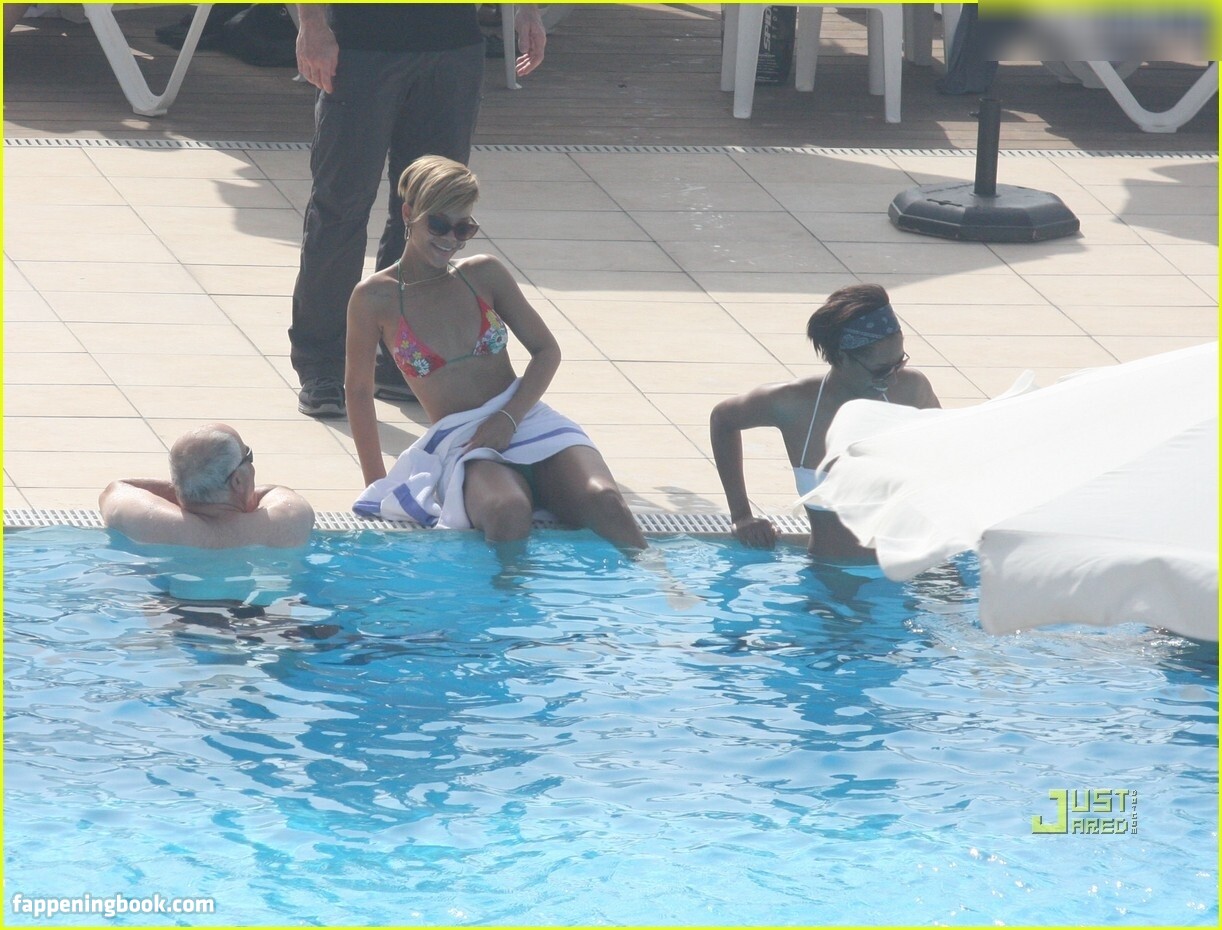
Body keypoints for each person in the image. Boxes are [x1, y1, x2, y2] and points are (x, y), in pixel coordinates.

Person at [348, 155, 647, 552]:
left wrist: (508, 418)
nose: (451, 239)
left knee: (605, 500)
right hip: (464, 439)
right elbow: (358, 391)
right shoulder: (375, 298)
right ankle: (509, 593)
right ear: (408, 214)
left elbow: (546, 351)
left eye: (464, 228)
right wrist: (376, 482)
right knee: (508, 511)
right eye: (438, 225)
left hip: (524, 417)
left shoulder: (482, 274)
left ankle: (662, 582)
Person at [290, 3, 547, 419]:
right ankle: (322, 366)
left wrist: (527, 11)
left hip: (452, 47)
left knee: (431, 213)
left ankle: (397, 358)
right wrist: (312, 23)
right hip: (360, 45)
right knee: (339, 210)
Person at [710, 284, 940, 561]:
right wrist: (741, 515)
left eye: (899, 363)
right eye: (881, 370)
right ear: (841, 357)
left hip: (913, 573)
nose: (892, 378)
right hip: (826, 576)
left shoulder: (911, 390)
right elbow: (723, 420)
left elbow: (948, 458)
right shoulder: (793, 404)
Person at [99, 424, 315, 548]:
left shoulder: (154, 524)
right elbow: (275, 492)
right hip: (256, 612)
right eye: (248, 456)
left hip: (176, 610)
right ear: (237, 481)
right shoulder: (286, 520)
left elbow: (116, 489)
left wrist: (189, 484)